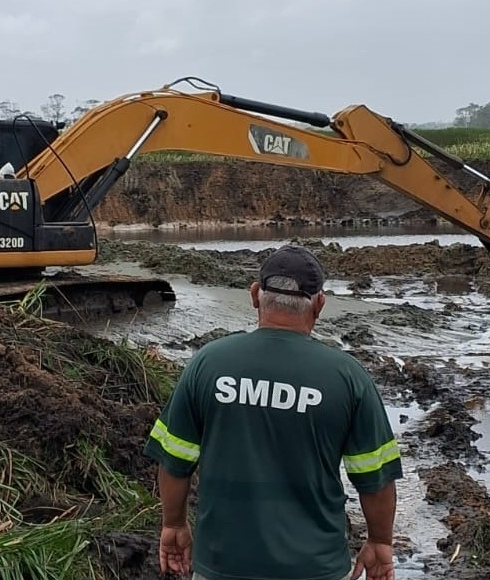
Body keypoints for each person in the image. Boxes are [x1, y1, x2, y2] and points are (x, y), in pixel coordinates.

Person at [142, 244, 402, 580]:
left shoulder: (207, 364)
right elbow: (375, 477)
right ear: (320, 303)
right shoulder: (347, 376)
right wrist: (380, 541)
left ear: (254, 295)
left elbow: (174, 460)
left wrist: (174, 524)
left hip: (221, 566)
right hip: (316, 568)